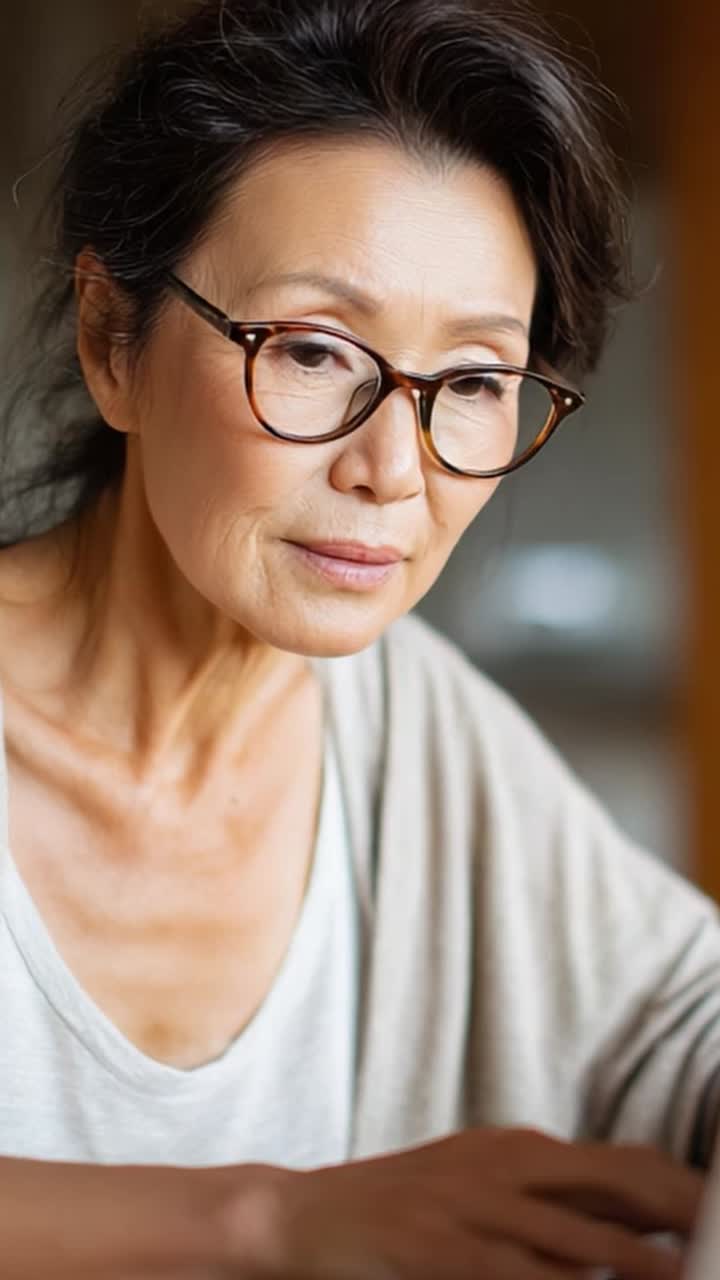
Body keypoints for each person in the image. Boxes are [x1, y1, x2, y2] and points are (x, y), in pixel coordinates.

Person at [0, 0, 716, 1275]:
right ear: (113, 340)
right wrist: (269, 1220)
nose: (393, 468)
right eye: (316, 352)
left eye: (477, 381)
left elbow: (688, 1019)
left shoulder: (416, 726)